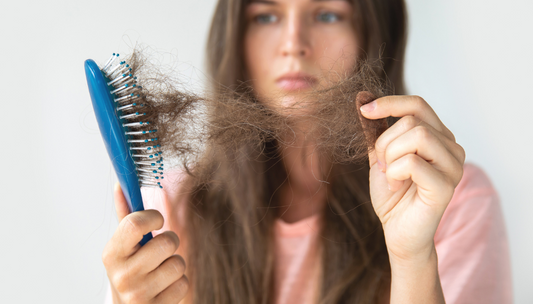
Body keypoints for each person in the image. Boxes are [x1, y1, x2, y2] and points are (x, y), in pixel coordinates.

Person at [102, 0, 513, 303]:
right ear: (235, 38)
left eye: (328, 14)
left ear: (374, 36)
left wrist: (413, 259)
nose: (293, 43)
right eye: (266, 16)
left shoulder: (446, 198)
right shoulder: (173, 212)